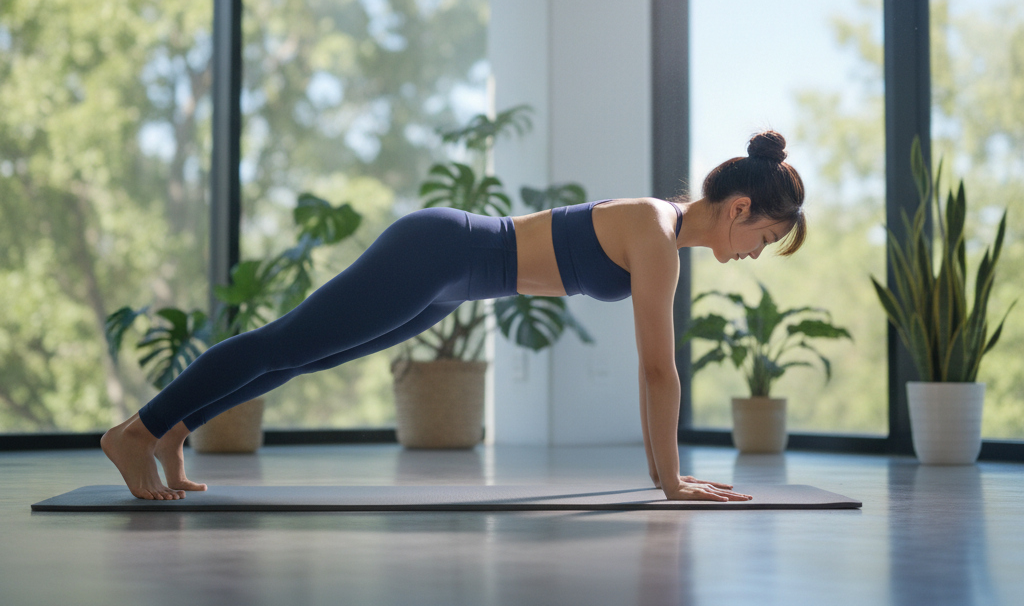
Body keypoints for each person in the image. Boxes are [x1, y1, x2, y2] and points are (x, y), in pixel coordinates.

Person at [102, 129, 805, 503]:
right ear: (740, 209)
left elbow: (656, 374)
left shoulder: (661, 235)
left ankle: (174, 429)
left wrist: (663, 479)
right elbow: (658, 371)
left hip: (452, 282)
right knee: (287, 340)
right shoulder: (656, 235)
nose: (756, 253)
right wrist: (675, 482)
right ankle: (136, 431)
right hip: (442, 251)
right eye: (765, 237)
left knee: (306, 355)